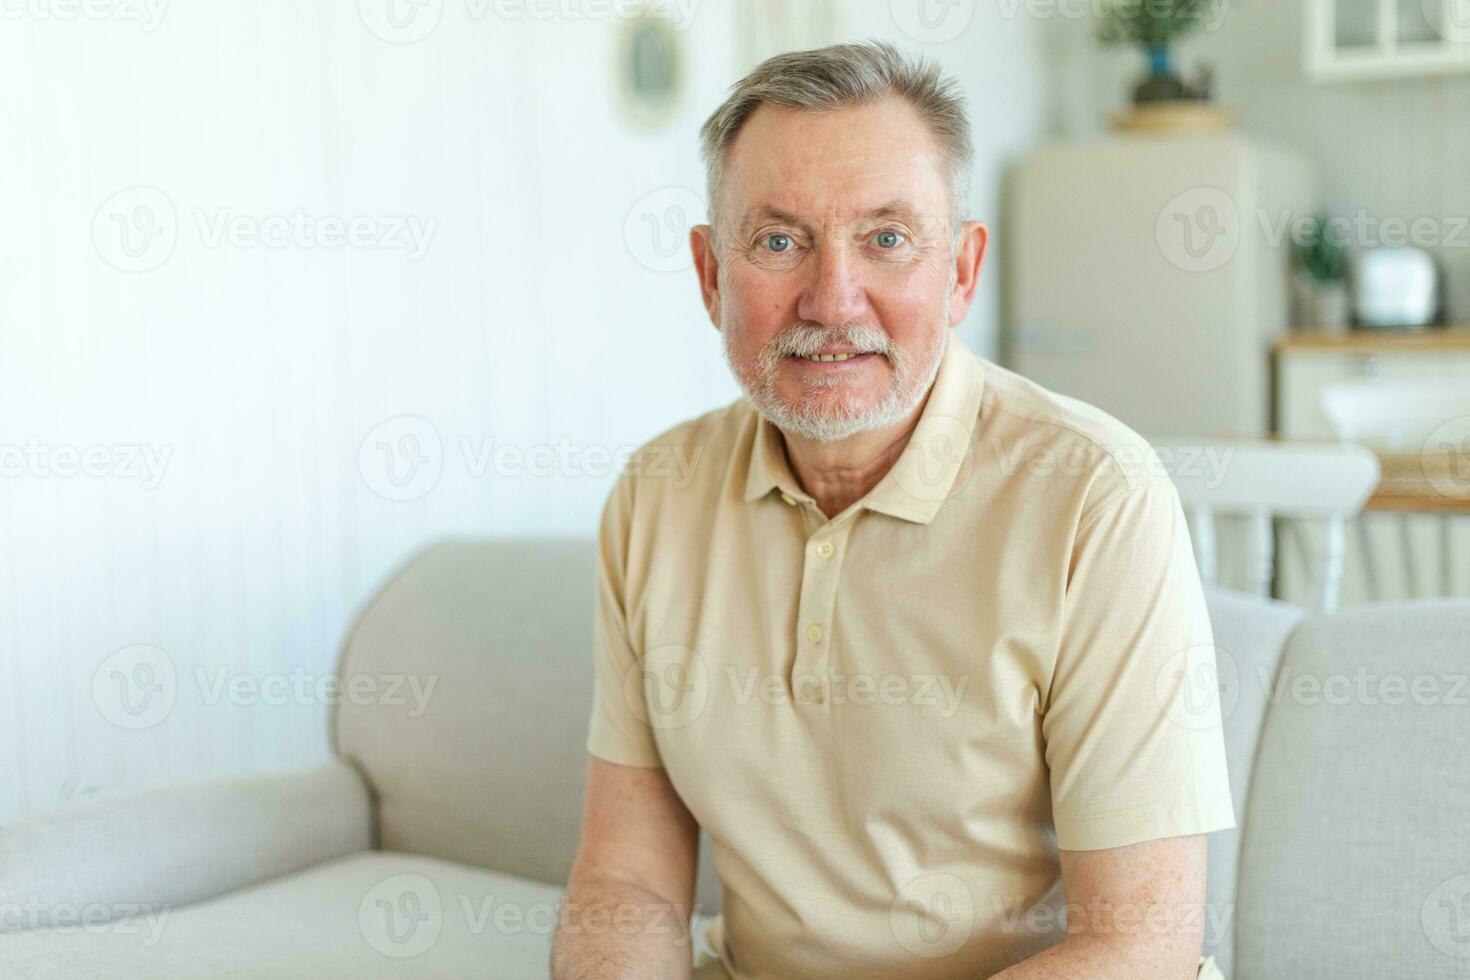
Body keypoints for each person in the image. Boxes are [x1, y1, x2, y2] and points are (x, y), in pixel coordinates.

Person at [552, 40, 1233, 980]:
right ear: (712, 277)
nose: (833, 301)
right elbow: (627, 883)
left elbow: (1139, 944)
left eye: (886, 239)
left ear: (960, 271)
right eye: (780, 240)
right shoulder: (653, 496)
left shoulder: (1098, 497)